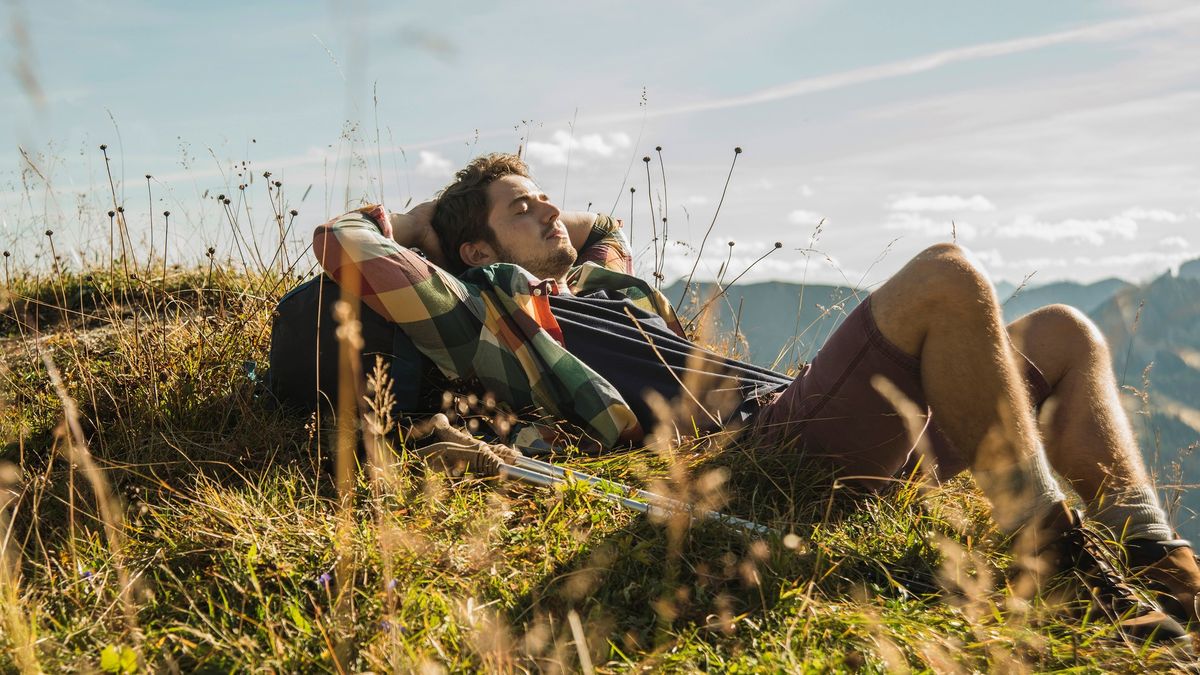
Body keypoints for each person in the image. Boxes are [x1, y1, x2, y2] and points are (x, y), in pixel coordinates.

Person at [310, 152, 1200, 646]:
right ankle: (1055, 557)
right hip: (755, 452)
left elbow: (601, 232)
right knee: (946, 277)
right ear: (469, 251)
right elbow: (350, 247)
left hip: (811, 417)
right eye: (520, 211)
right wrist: (432, 217)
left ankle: (1160, 562)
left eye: (548, 201)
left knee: (1062, 332)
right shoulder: (489, 313)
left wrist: (525, 205)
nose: (550, 216)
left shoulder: (602, 287)